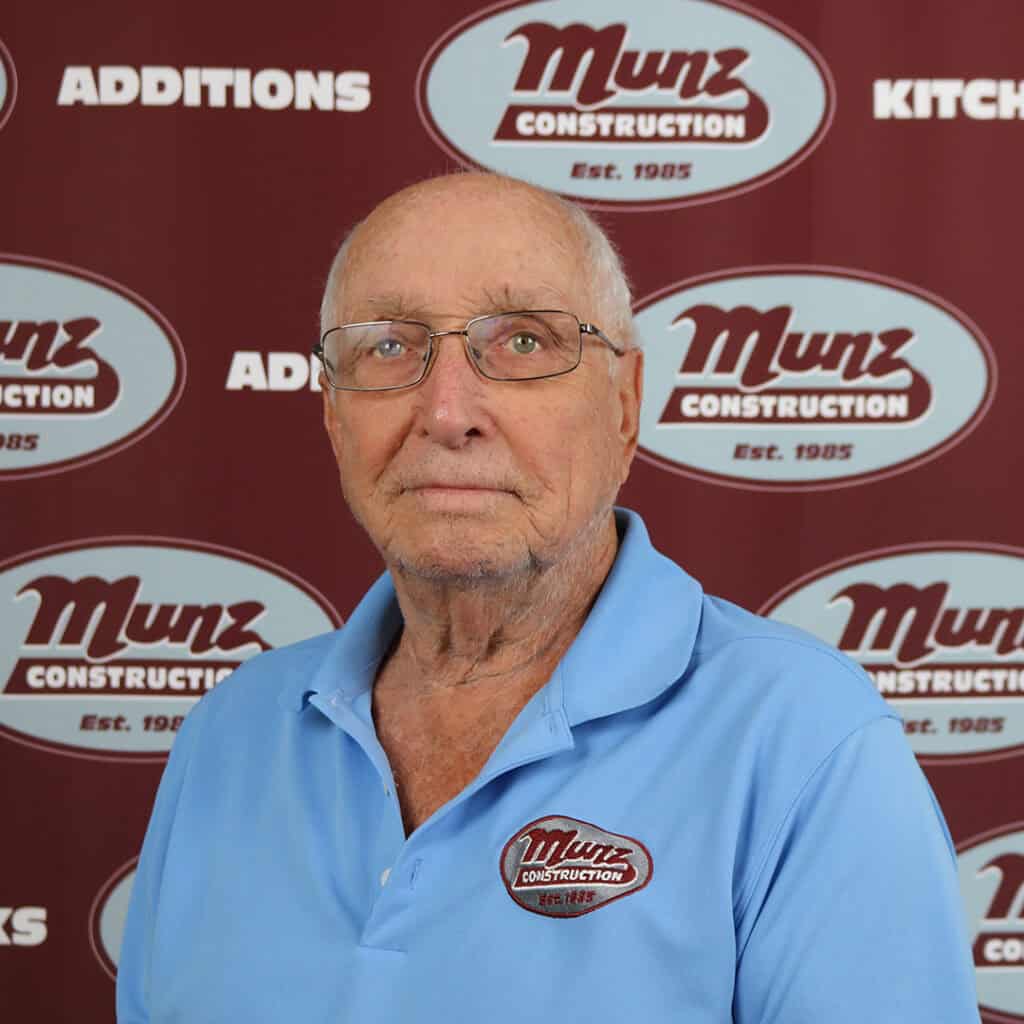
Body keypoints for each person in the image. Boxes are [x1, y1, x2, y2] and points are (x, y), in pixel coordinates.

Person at [117, 172, 980, 1023]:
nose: (446, 411)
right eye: (388, 347)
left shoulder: (803, 741)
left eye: (523, 342)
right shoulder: (228, 736)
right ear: (334, 416)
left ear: (625, 405)